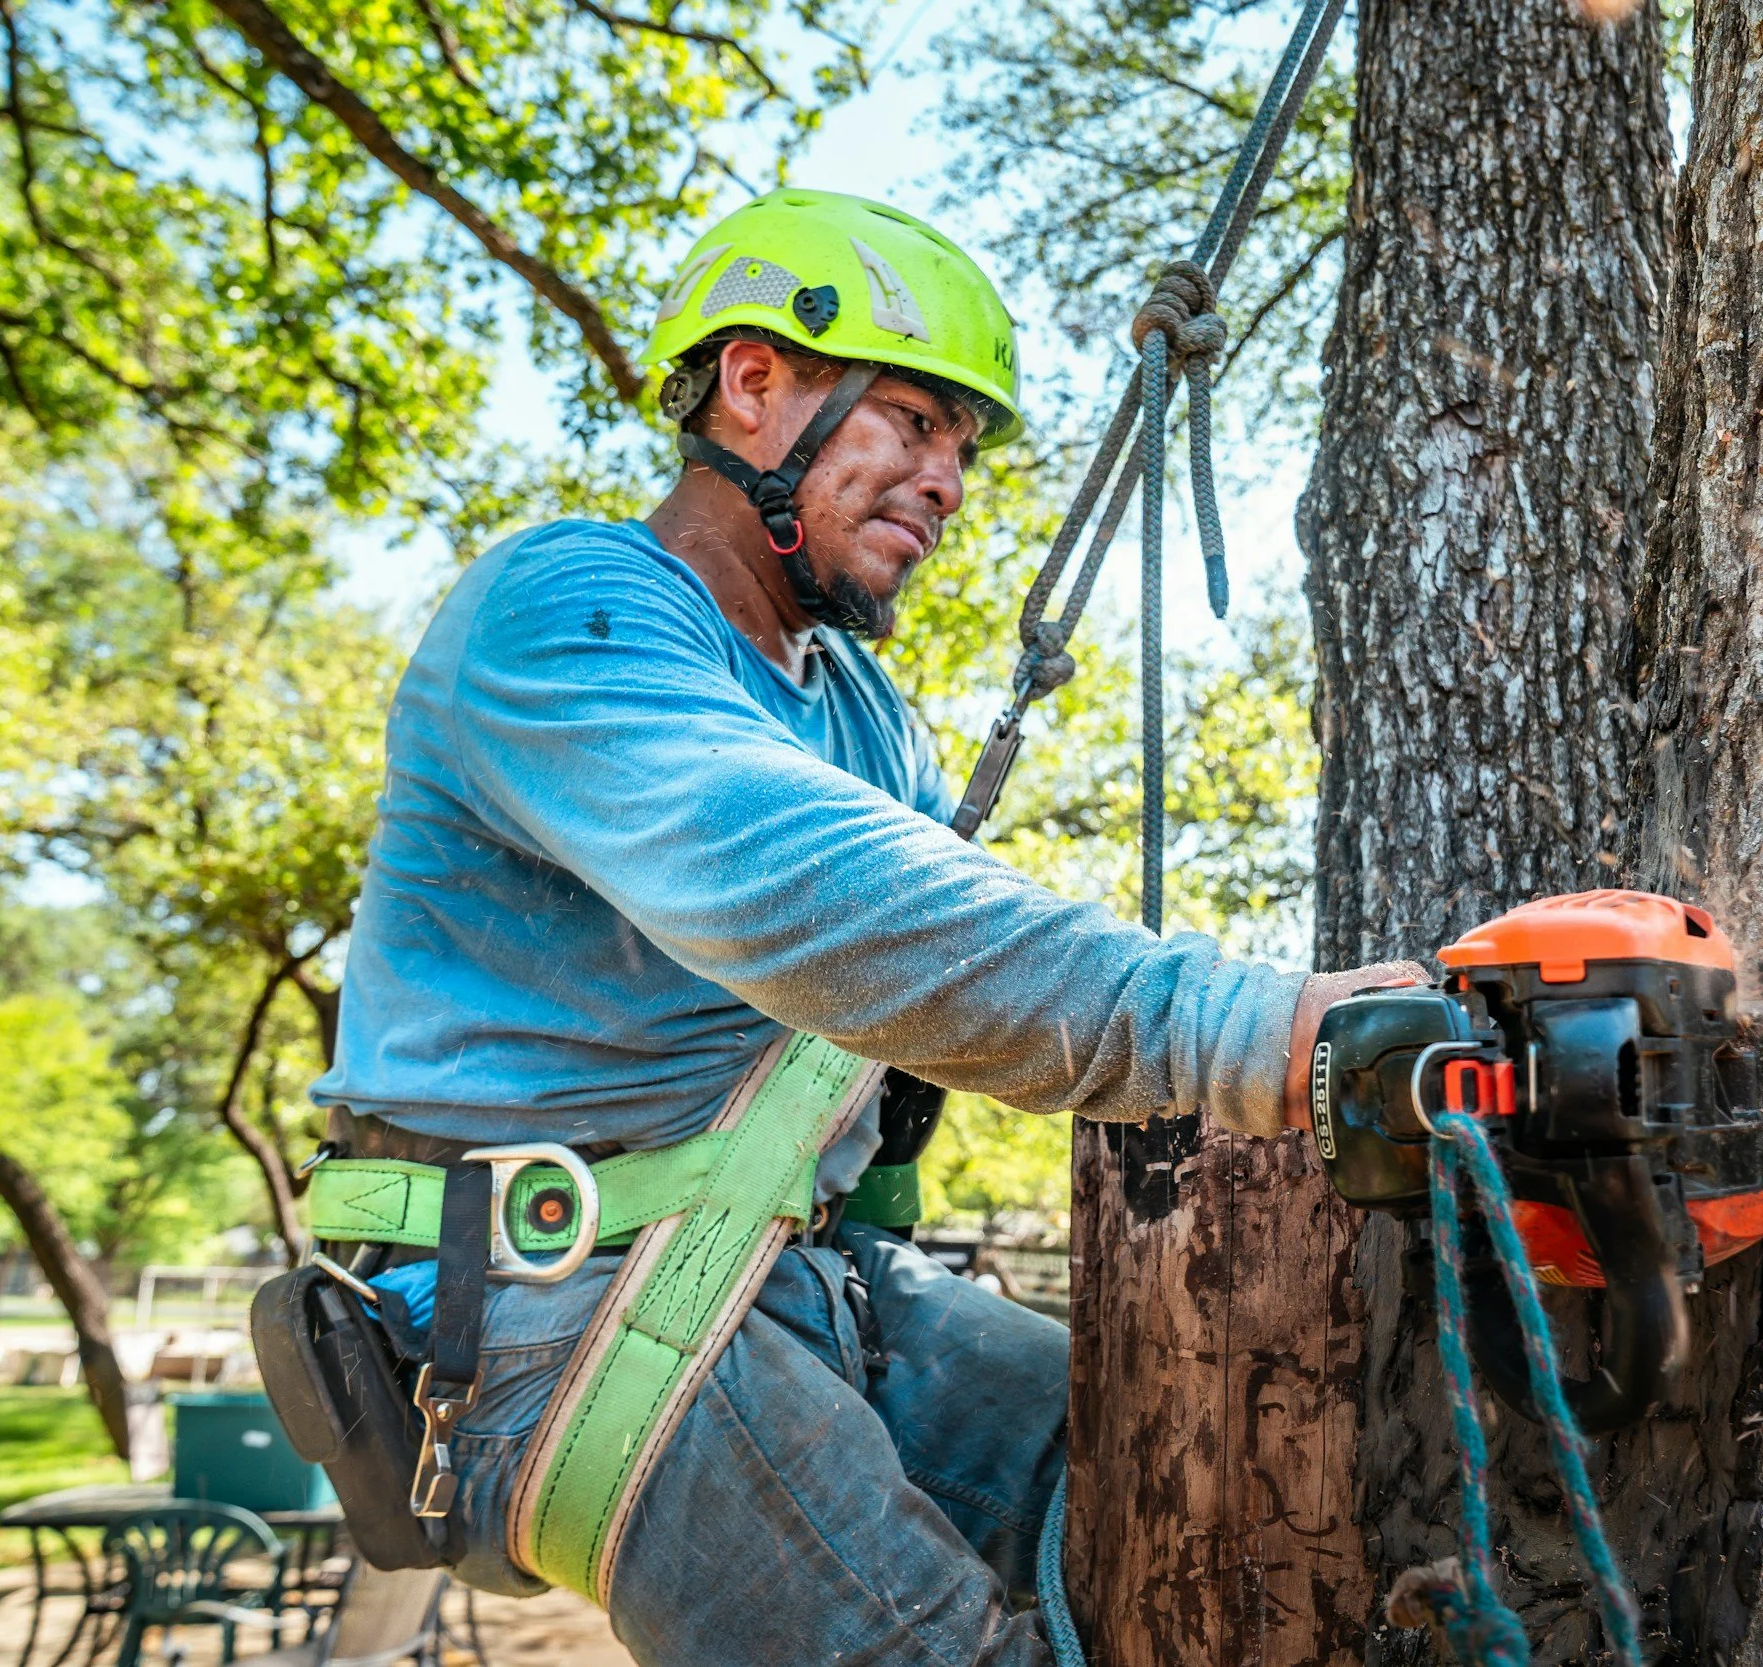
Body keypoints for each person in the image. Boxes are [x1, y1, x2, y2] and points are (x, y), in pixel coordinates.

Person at [302, 187, 1406, 1665]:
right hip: (542, 1311)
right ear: (754, 384)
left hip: (794, 1274)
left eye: (962, 445)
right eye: (912, 419)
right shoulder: (566, 609)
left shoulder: (864, 714)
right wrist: (1258, 1030)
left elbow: (913, 1000)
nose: (948, 479)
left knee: (1221, 1479)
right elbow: (833, 903)